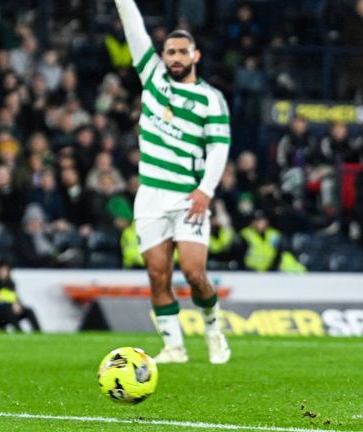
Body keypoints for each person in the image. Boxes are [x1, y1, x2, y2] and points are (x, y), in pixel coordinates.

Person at [114, 0, 232, 364]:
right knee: (156, 272)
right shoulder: (152, 77)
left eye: (183, 51)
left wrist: (205, 191)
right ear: (162, 55)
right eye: (170, 51)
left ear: (194, 55)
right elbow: (133, 28)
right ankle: (174, 347)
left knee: (195, 273)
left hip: (189, 196)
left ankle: (213, 329)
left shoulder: (211, 100)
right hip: (150, 194)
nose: (176, 57)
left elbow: (218, 149)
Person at [0, 261, 41, 332]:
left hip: (11, 310)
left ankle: (38, 332)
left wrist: (18, 305)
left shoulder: (11, 284)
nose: (3, 273)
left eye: (5, 271)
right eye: (1, 271)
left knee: (28, 310)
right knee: (8, 308)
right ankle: (19, 331)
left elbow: (15, 298)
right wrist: (10, 305)